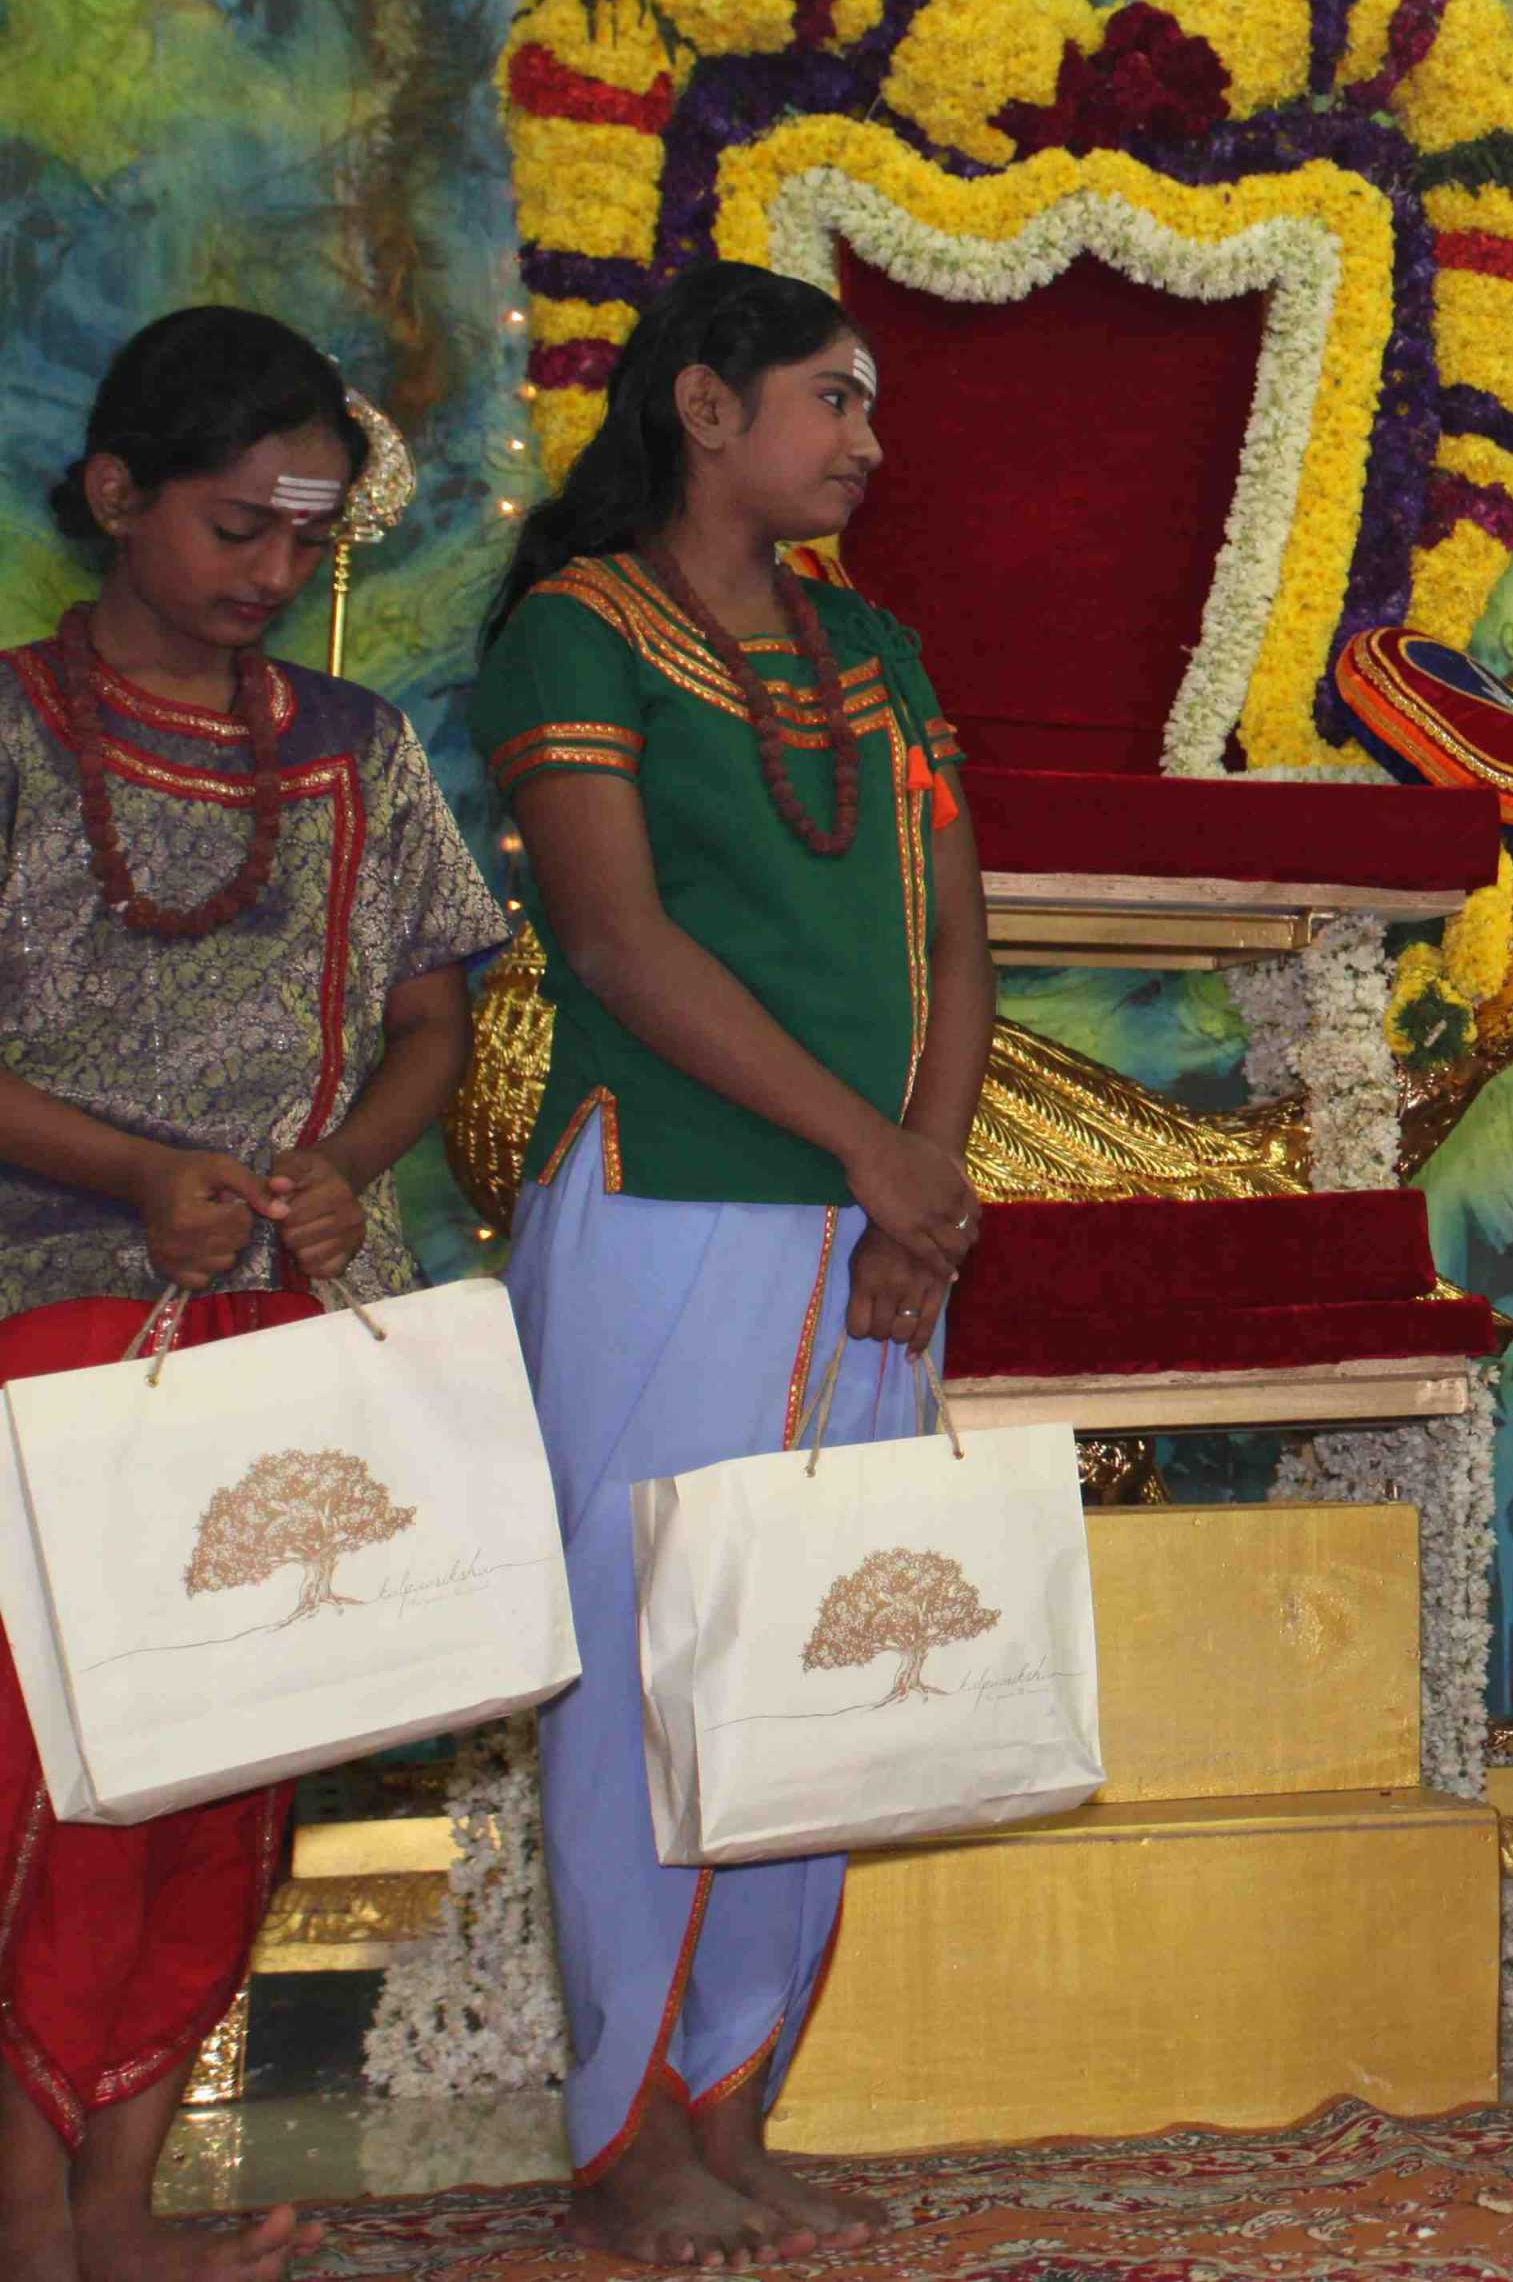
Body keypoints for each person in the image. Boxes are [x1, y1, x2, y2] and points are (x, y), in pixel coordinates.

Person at [473, 259, 994, 2260]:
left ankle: (735, 2103)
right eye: (832, 398)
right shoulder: (575, 631)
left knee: (823, 1654)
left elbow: (956, 940)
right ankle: (628, 2138)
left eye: (871, 405)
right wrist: (876, 1155)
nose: (868, 441)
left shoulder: (877, 646)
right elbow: (618, 945)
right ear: (705, 407)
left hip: (871, 1221)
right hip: (669, 1204)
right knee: (650, 1662)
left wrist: (918, 1186)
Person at [0, 312, 506, 2282]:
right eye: (237, 526)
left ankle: (120, 2215)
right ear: (116, 493)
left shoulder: (355, 747)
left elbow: (431, 1018)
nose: (273, 572)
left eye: (306, 538)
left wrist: (348, 1163)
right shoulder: (12, 729)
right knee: (44, 1782)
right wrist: (133, 1174)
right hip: (46, 1315)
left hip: (282, 1323)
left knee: (215, 1777)